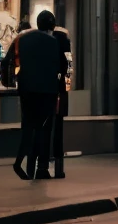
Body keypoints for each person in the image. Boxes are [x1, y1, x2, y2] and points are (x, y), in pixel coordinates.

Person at [11, 10, 64, 181]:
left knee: (27, 126)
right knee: (43, 129)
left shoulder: (23, 39)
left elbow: (8, 61)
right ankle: (41, 168)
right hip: (47, 92)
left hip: (26, 90)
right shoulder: (54, 42)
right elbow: (62, 67)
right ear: (52, 26)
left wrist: (14, 80)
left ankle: (20, 162)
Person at [49, 18, 73, 178]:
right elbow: (69, 68)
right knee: (58, 129)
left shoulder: (45, 42)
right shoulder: (64, 43)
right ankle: (59, 167)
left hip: (46, 90)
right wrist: (67, 88)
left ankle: (42, 164)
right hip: (60, 92)